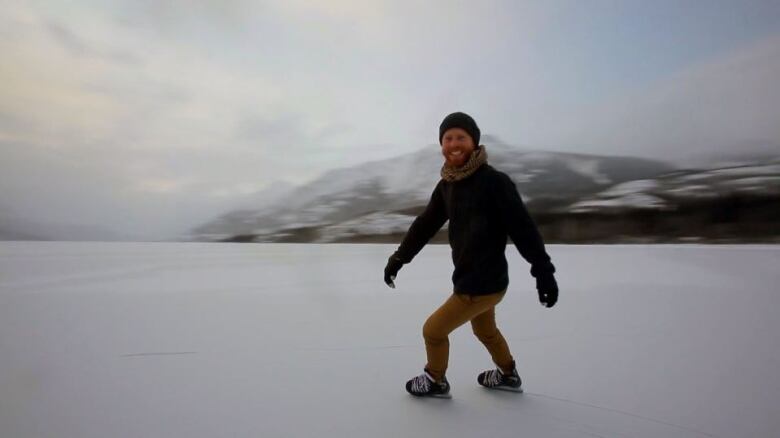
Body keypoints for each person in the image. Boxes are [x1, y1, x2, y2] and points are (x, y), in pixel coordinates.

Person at [383, 111, 559, 398]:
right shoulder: (447, 186)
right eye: (447, 138)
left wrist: (544, 272)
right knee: (485, 330)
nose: (454, 143)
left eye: (460, 137)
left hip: (479, 284)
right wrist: (399, 258)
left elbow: (523, 228)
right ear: (441, 145)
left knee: (433, 331)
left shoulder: (494, 182)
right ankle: (508, 374)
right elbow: (425, 225)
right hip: (477, 279)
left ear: (474, 142)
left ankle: (435, 380)